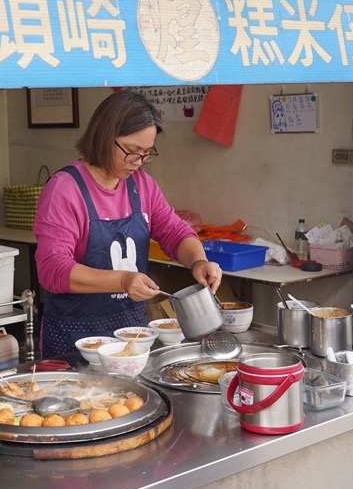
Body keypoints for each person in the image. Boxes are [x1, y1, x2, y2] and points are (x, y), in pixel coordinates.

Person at [33, 90, 223, 358]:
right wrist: (122, 280)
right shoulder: (65, 189)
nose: (139, 162)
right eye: (132, 151)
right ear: (103, 137)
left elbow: (174, 231)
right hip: (75, 338)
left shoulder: (142, 184)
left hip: (131, 335)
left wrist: (199, 262)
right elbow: (52, 270)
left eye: (147, 153)